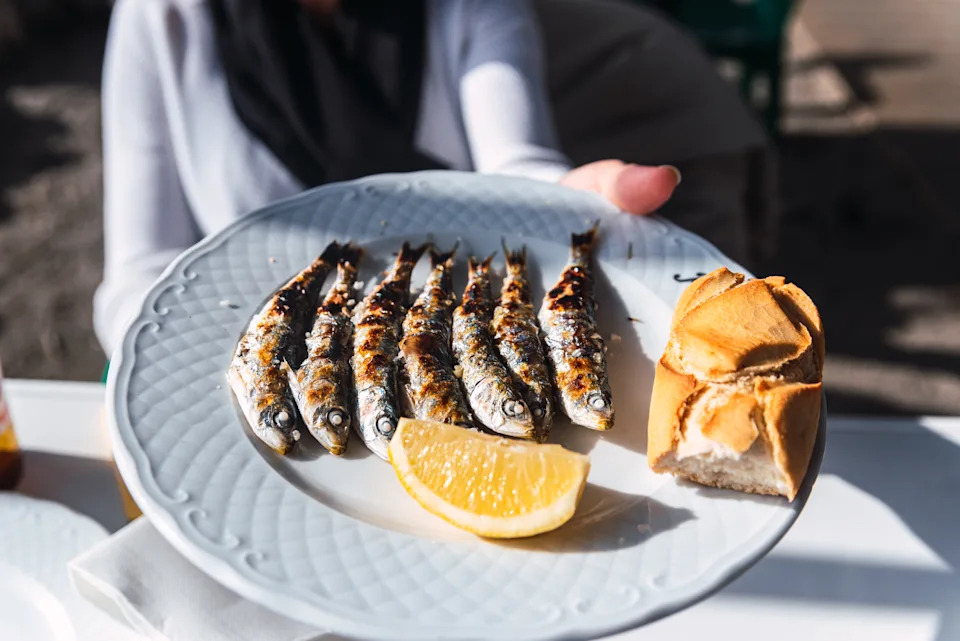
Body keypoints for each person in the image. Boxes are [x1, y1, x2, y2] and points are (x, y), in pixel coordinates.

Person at [95, 0, 766, 355]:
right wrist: (198, 368)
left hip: (452, 353)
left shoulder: (463, 6)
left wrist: (557, 203)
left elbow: (515, 163)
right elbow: (138, 275)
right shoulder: (164, 18)